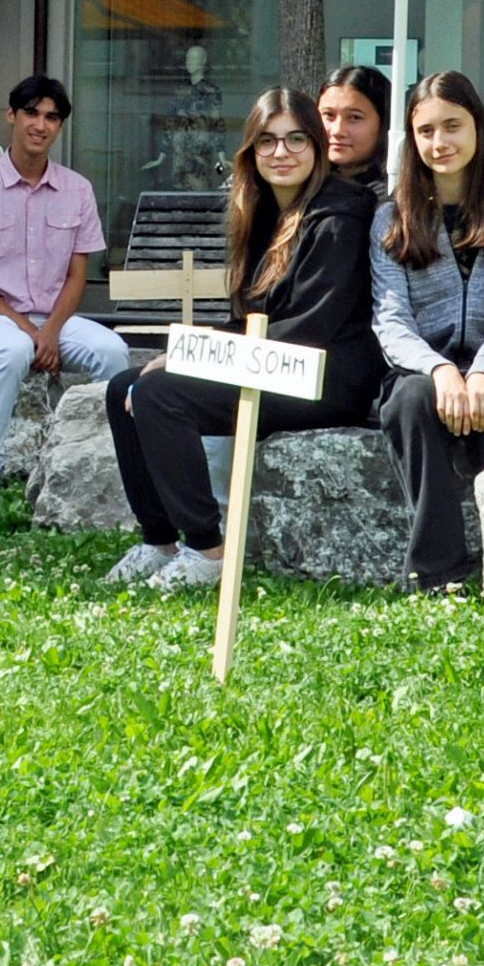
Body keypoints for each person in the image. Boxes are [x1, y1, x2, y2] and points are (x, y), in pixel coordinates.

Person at [104, 86, 381, 590]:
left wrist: (201, 359)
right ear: (251, 152)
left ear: (318, 148)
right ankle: (157, 540)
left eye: (297, 140)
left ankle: (208, 551)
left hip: (325, 376)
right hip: (274, 361)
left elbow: (307, 328)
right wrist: (188, 351)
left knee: (159, 395)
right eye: (267, 142)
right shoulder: (264, 214)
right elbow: (253, 319)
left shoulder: (340, 216)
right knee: (123, 386)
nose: (281, 153)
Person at [371, 71, 484, 591]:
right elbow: (390, 318)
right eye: (425, 131)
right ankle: (437, 571)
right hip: (423, 368)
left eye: (452, 126)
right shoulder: (389, 217)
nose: (439, 142)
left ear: (477, 129)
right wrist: (441, 368)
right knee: (413, 403)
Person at [0, 73, 135, 495]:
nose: (40, 125)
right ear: (11, 115)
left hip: (53, 320)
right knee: (12, 348)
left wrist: (48, 331)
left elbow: (77, 277)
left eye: (51, 117)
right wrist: (31, 332)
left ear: (60, 126)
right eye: (31, 113)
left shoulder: (77, 190)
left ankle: (112, 456)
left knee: (113, 351)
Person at [319, 64, 391, 181]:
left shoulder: (394, 192)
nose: (337, 131)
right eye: (329, 115)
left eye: (354, 117)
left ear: (383, 123)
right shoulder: (305, 185)